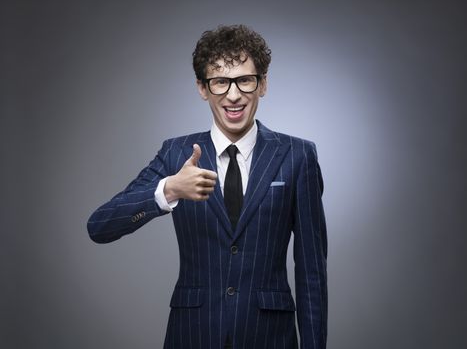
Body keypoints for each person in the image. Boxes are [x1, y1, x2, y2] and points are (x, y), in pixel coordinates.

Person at [87, 24, 327, 349]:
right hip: (193, 334)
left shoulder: (297, 156)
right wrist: (168, 190)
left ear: (263, 84)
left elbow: (312, 271)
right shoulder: (176, 154)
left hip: (269, 336)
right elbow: (100, 226)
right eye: (219, 82)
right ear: (202, 88)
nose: (233, 94)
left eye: (245, 79)